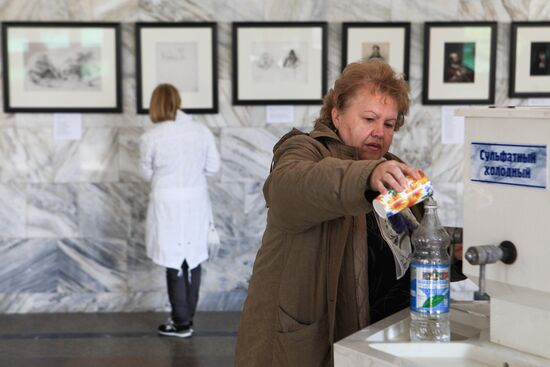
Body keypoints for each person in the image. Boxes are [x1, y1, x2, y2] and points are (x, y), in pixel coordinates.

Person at [235, 60, 424, 367]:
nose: (379, 132)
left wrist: (450, 252)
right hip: (305, 345)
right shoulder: (302, 149)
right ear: (336, 114)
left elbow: (414, 242)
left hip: (379, 343)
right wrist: (367, 175)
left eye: (389, 124)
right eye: (369, 119)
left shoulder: (391, 168)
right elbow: (287, 190)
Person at [139, 83, 220, 338]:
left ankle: (181, 321)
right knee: (193, 256)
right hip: (196, 200)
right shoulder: (201, 131)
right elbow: (213, 167)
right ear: (178, 100)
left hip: (166, 202)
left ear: (155, 105)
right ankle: (186, 319)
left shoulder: (150, 137)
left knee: (173, 259)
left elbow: (145, 172)